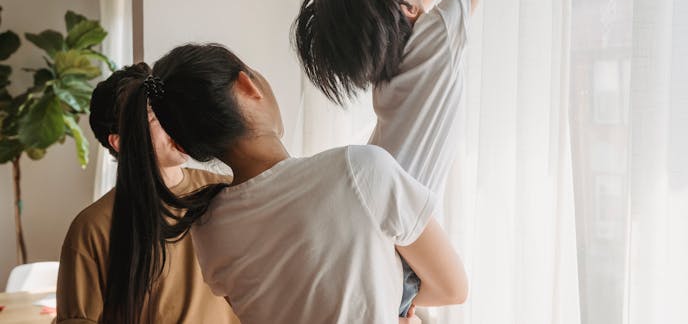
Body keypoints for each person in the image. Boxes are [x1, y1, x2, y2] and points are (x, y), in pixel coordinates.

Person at [103, 43, 466, 324]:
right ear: (248, 86)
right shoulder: (358, 169)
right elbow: (452, 288)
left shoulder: (208, 229)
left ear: (186, 145)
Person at [293, 0, 513, 315]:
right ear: (407, 10)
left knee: (387, 299)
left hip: (370, 215)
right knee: (429, 296)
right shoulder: (435, 34)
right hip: (398, 222)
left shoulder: (383, 57)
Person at [55, 65, 238, 324]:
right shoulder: (93, 228)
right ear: (120, 141)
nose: (175, 123)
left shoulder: (227, 192)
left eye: (171, 112)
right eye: (156, 118)